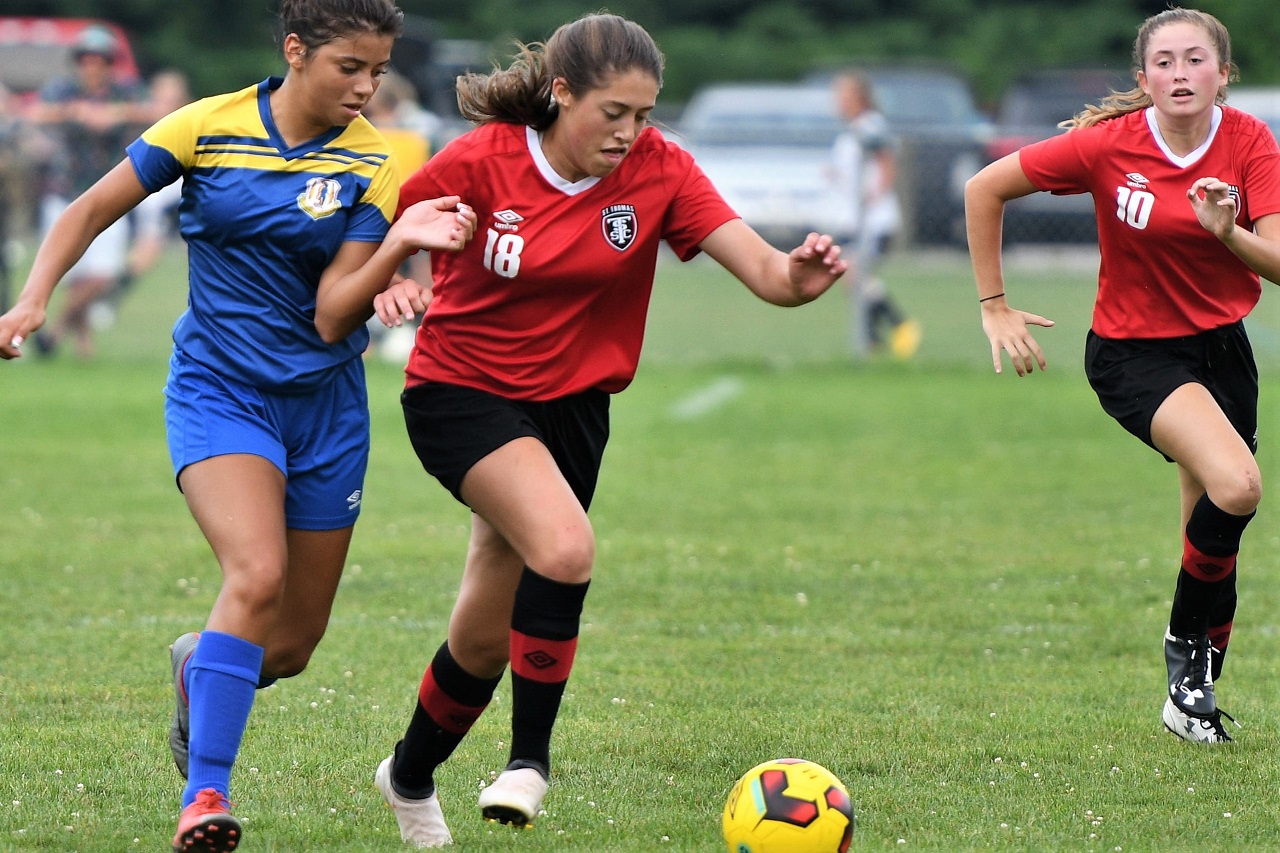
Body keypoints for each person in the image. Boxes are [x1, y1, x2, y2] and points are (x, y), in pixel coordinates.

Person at [315, 12, 847, 847]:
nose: (629, 132)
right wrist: (397, 278)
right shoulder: (483, 160)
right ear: (562, 93)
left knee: (485, 636)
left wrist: (799, 277)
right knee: (565, 550)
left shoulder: (661, 168)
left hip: (573, 412)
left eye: (644, 114)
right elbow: (390, 234)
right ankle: (528, 762)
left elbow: (769, 274)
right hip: (462, 391)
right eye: (614, 113)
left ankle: (408, 775)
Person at [0, 0, 476, 849]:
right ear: (295, 51)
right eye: (349, 67)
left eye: (377, 70)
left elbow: (333, 315)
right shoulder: (206, 127)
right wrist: (33, 299)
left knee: (287, 646)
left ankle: (201, 663)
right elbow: (88, 210)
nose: (366, 86)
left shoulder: (373, 161)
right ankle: (205, 796)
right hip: (220, 391)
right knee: (254, 576)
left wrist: (396, 248)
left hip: (325, 409)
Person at [965, 7, 1280, 745]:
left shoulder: (1249, 141)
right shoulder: (1109, 145)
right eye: (1164, 62)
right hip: (1134, 353)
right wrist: (993, 305)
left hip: (1222, 350)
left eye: (1196, 59)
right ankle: (1183, 652)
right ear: (1144, 78)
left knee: (1212, 527)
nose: (1180, 73)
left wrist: (1228, 233)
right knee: (1239, 486)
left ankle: (1191, 702)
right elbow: (984, 188)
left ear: (1223, 74)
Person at [27, 23, 144, 358]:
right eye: (86, 60)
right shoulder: (63, 90)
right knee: (72, 270)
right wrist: (74, 112)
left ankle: (55, 331)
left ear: (109, 63)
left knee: (104, 274)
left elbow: (160, 110)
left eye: (99, 60)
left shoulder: (124, 92)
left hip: (110, 191)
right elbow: (35, 112)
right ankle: (83, 346)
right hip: (64, 190)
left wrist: (114, 114)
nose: (92, 66)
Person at [830, 69, 919, 360]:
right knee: (852, 278)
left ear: (859, 96)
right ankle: (872, 340)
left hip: (873, 220)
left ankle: (898, 326)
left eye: (842, 93)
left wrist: (876, 194)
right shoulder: (853, 128)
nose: (837, 100)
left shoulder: (870, 125)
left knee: (854, 275)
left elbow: (886, 161)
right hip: (853, 219)